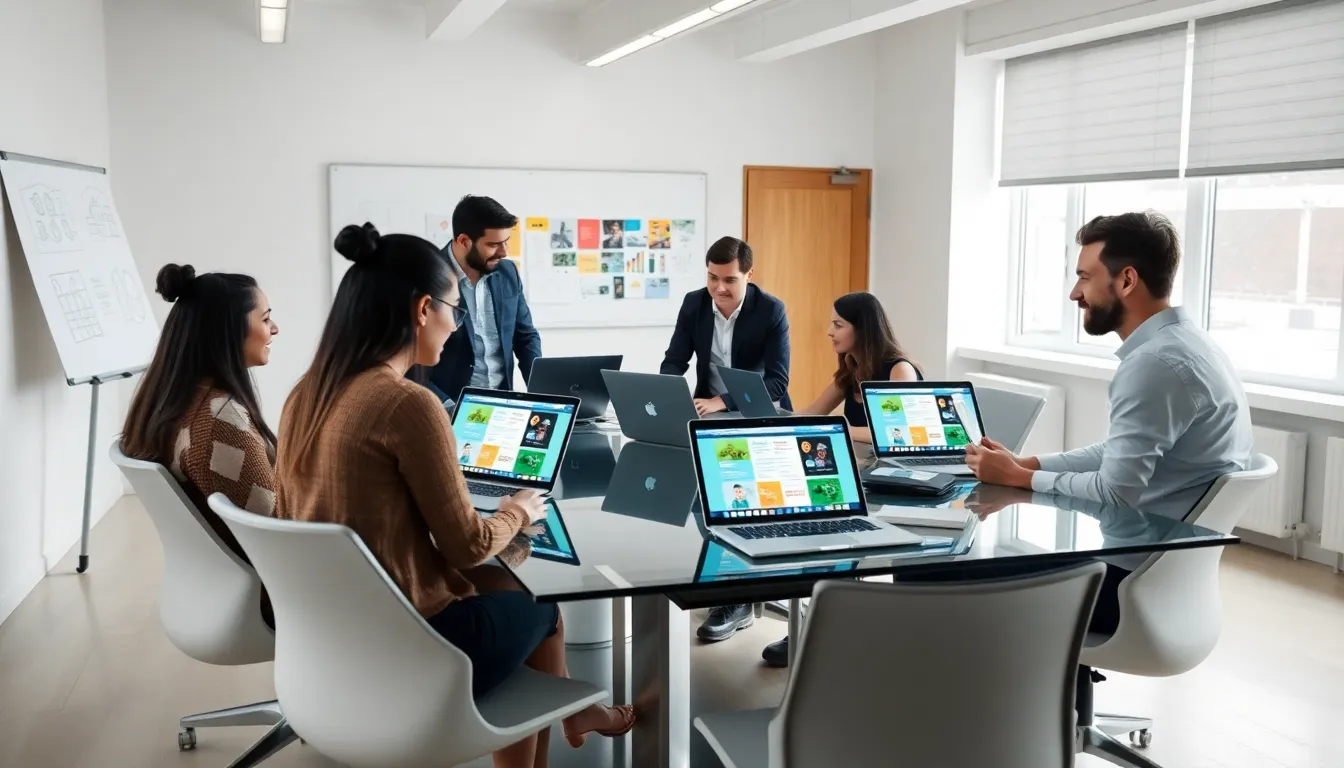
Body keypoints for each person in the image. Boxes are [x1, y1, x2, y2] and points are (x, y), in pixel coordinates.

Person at [277, 224, 633, 768]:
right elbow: (469, 544)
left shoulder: (306, 393)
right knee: (539, 605)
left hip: (334, 635)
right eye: (454, 310)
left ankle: (573, 717)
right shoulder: (407, 404)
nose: (454, 324)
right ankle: (571, 716)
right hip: (413, 644)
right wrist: (517, 509)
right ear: (424, 310)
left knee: (510, 588)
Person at [965, 211, 1253, 509]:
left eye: (1084, 278)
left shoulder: (1153, 364)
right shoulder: (1193, 344)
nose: (1075, 294)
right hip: (1175, 543)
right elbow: (1120, 454)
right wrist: (1027, 464)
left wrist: (1019, 477)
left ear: (1127, 280)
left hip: (1141, 547)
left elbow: (1115, 492)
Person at [697, 291, 919, 651]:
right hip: (856, 474)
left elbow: (898, 436)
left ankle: (816, 624)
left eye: (838, 325)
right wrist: (768, 424)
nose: (829, 332)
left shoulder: (898, 369)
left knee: (812, 513)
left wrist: (841, 426)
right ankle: (759, 598)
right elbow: (811, 414)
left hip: (892, 481)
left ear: (863, 329)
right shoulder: (851, 368)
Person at [120, 264, 280, 625]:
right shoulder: (219, 419)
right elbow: (274, 531)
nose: (274, 329)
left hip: (218, 589)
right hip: (275, 595)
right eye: (266, 318)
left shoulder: (169, 404)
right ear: (227, 330)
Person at [419, 195, 542, 406]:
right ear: (464, 241)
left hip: (504, 405)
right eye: (494, 244)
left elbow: (526, 337)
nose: (504, 252)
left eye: (506, 242)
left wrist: (544, 393)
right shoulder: (425, 276)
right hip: (448, 406)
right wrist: (445, 406)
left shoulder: (508, 272)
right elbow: (411, 357)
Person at [660, 236, 791, 416]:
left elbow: (777, 382)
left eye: (729, 280)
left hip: (759, 409)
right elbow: (674, 362)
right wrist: (669, 395)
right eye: (713, 278)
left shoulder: (770, 310)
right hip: (710, 411)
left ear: (749, 275)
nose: (719, 288)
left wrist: (723, 401)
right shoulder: (694, 304)